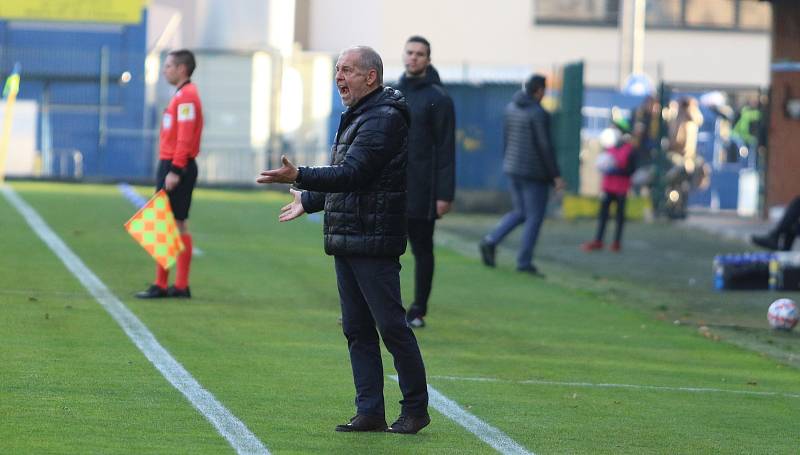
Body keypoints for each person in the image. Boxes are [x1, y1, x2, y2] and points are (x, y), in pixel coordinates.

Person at [256, 46, 430, 435]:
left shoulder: (383, 118)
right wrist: (311, 200)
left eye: (347, 70)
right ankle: (369, 410)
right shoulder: (360, 115)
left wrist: (300, 176)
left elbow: (354, 173)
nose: (339, 77)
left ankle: (415, 409)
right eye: (337, 70)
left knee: (391, 328)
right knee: (356, 328)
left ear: (371, 77)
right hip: (350, 234)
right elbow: (351, 180)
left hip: (373, 236)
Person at [394, 36, 455, 329]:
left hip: (422, 189)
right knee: (384, 248)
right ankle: (385, 307)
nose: (414, 58)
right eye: (410, 53)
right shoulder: (393, 92)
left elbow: (446, 149)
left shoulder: (438, 98)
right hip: (392, 186)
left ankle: (418, 309)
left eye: (420, 54)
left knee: (422, 249)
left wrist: (444, 193)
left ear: (428, 60)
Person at [478, 74, 564, 276]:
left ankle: (490, 241)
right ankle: (524, 261)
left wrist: (508, 161)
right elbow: (545, 146)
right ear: (540, 91)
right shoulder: (538, 113)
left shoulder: (511, 108)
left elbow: (507, 138)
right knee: (534, 217)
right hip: (533, 172)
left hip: (512, 167)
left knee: (521, 212)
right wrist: (556, 176)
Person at [136, 49, 203, 299]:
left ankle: (165, 285)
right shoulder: (183, 95)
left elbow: (185, 137)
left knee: (166, 224)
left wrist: (175, 169)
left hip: (177, 165)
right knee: (173, 223)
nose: (165, 71)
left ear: (182, 69)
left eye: (169, 66)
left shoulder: (186, 97)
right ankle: (177, 285)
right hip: (175, 163)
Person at [582, 119, 636, 252]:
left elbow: (630, 170)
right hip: (608, 186)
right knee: (603, 215)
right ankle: (598, 240)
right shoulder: (609, 147)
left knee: (619, 216)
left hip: (621, 188)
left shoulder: (629, 149)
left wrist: (616, 170)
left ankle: (616, 242)